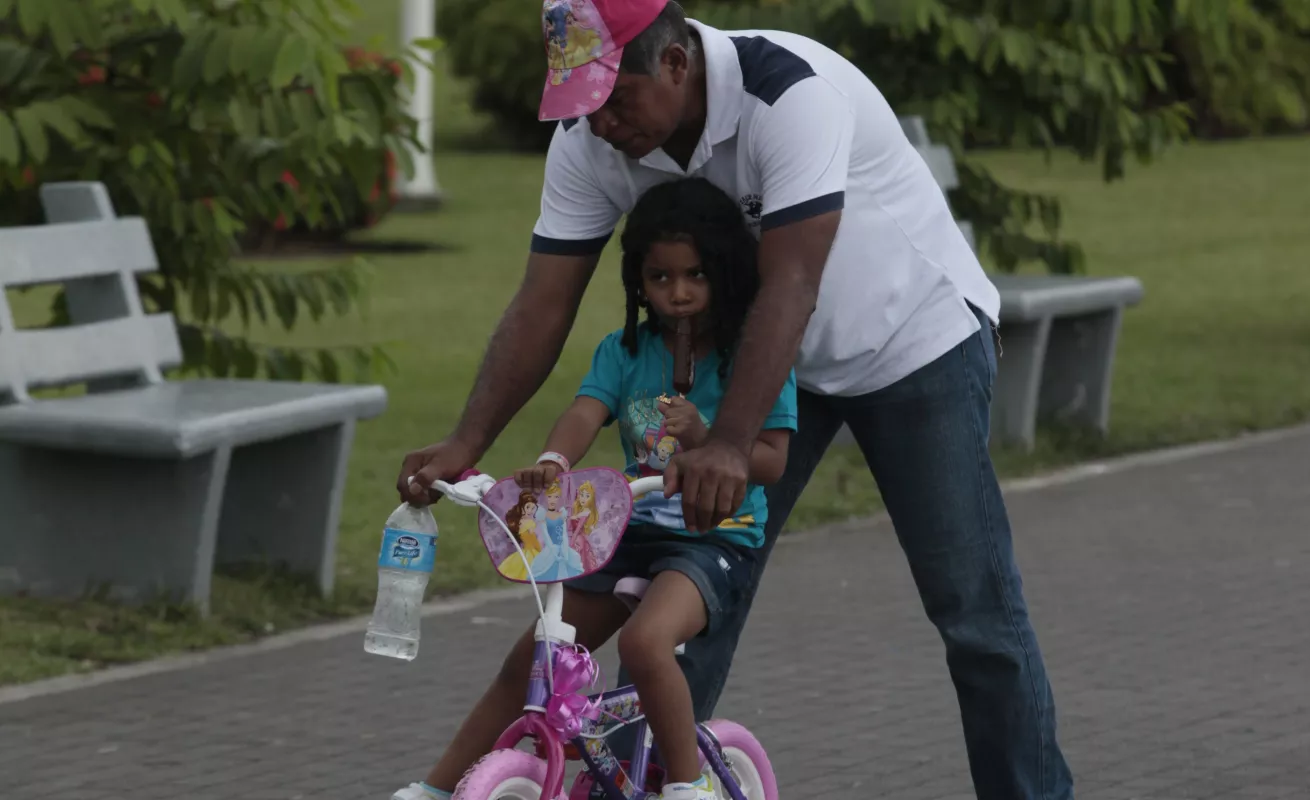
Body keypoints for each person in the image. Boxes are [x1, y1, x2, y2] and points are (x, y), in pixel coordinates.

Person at [396, 1, 1074, 797]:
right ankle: (663, 787)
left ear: (678, 63)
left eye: (615, 99)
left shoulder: (789, 94)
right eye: (582, 104)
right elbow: (545, 302)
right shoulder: (590, 142)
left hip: (911, 343)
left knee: (974, 614)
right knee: (683, 603)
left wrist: (726, 443)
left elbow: (792, 284)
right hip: (766, 369)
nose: (601, 125)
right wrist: (467, 441)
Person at [395, 177, 797, 800]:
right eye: (660, 279)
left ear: (724, 273)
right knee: (535, 657)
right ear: (639, 281)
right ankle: (439, 788)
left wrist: (713, 440)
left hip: (714, 538)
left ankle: (688, 786)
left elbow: (772, 459)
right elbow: (586, 410)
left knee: (645, 642)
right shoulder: (626, 350)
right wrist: (554, 462)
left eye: (696, 275)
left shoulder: (752, 357)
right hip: (624, 532)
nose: (680, 293)